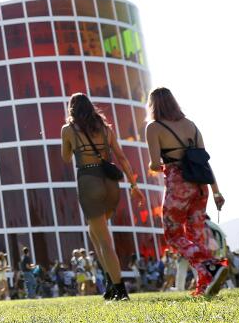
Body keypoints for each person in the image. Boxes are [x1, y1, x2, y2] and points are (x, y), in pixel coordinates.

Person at [144, 87, 229, 298]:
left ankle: (212, 266)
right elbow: (204, 162)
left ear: (153, 105)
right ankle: (204, 286)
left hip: (178, 185)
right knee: (196, 235)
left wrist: (156, 165)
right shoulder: (191, 125)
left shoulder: (154, 127)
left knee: (173, 235)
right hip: (200, 186)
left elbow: (155, 163)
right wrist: (216, 192)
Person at [60, 93, 144, 301]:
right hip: (111, 184)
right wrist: (134, 185)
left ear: (72, 110)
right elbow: (122, 157)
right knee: (94, 233)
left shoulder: (68, 130)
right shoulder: (106, 129)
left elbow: (66, 157)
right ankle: (110, 284)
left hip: (89, 182)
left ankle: (120, 290)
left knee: (104, 240)